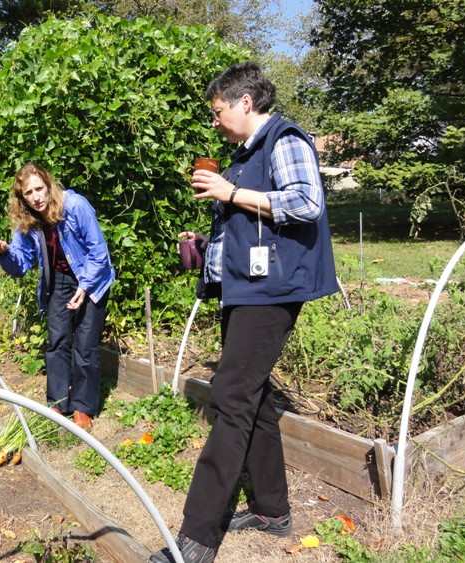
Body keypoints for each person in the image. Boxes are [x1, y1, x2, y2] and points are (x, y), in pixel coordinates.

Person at [150, 62, 338, 562]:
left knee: (231, 398)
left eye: (218, 111)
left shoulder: (285, 140)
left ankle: (197, 537)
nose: (214, 121)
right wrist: (206, 241)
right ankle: (273, 510)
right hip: (244, 288)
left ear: (244, 103)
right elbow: (248, 221)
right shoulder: (241, 155)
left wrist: (230, 193)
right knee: (251, 400)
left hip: (272, 291)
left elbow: (306, 203)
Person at [0, 162, 115, 432]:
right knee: (57, 342)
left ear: (49, 185)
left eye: (39, 189)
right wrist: (3, 250)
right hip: (59, 281)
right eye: (29, 193)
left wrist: (84, 287)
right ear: (22, 198)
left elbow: (98, 252)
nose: (36, 197)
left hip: (92, 276)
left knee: (85, 346)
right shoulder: (28, 222)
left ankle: (82, 407)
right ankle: (58, 402)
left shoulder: (75, 206)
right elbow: (20, 265)